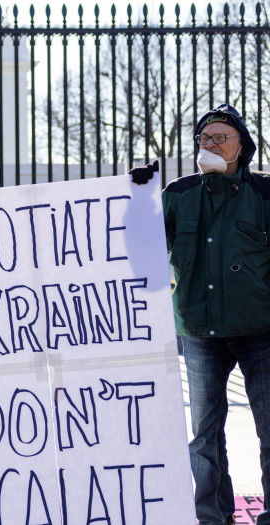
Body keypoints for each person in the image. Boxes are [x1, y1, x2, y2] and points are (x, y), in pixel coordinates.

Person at [130, 103, 270, 525]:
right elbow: (142, 246)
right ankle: (211, 517)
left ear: (240, 147)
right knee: (203, 437)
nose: (208, 144)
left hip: (260, 330)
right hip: (197, 331)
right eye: (203, 139)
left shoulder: (265, 194)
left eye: (218, 137)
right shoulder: (178, 193)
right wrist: (138, 197)